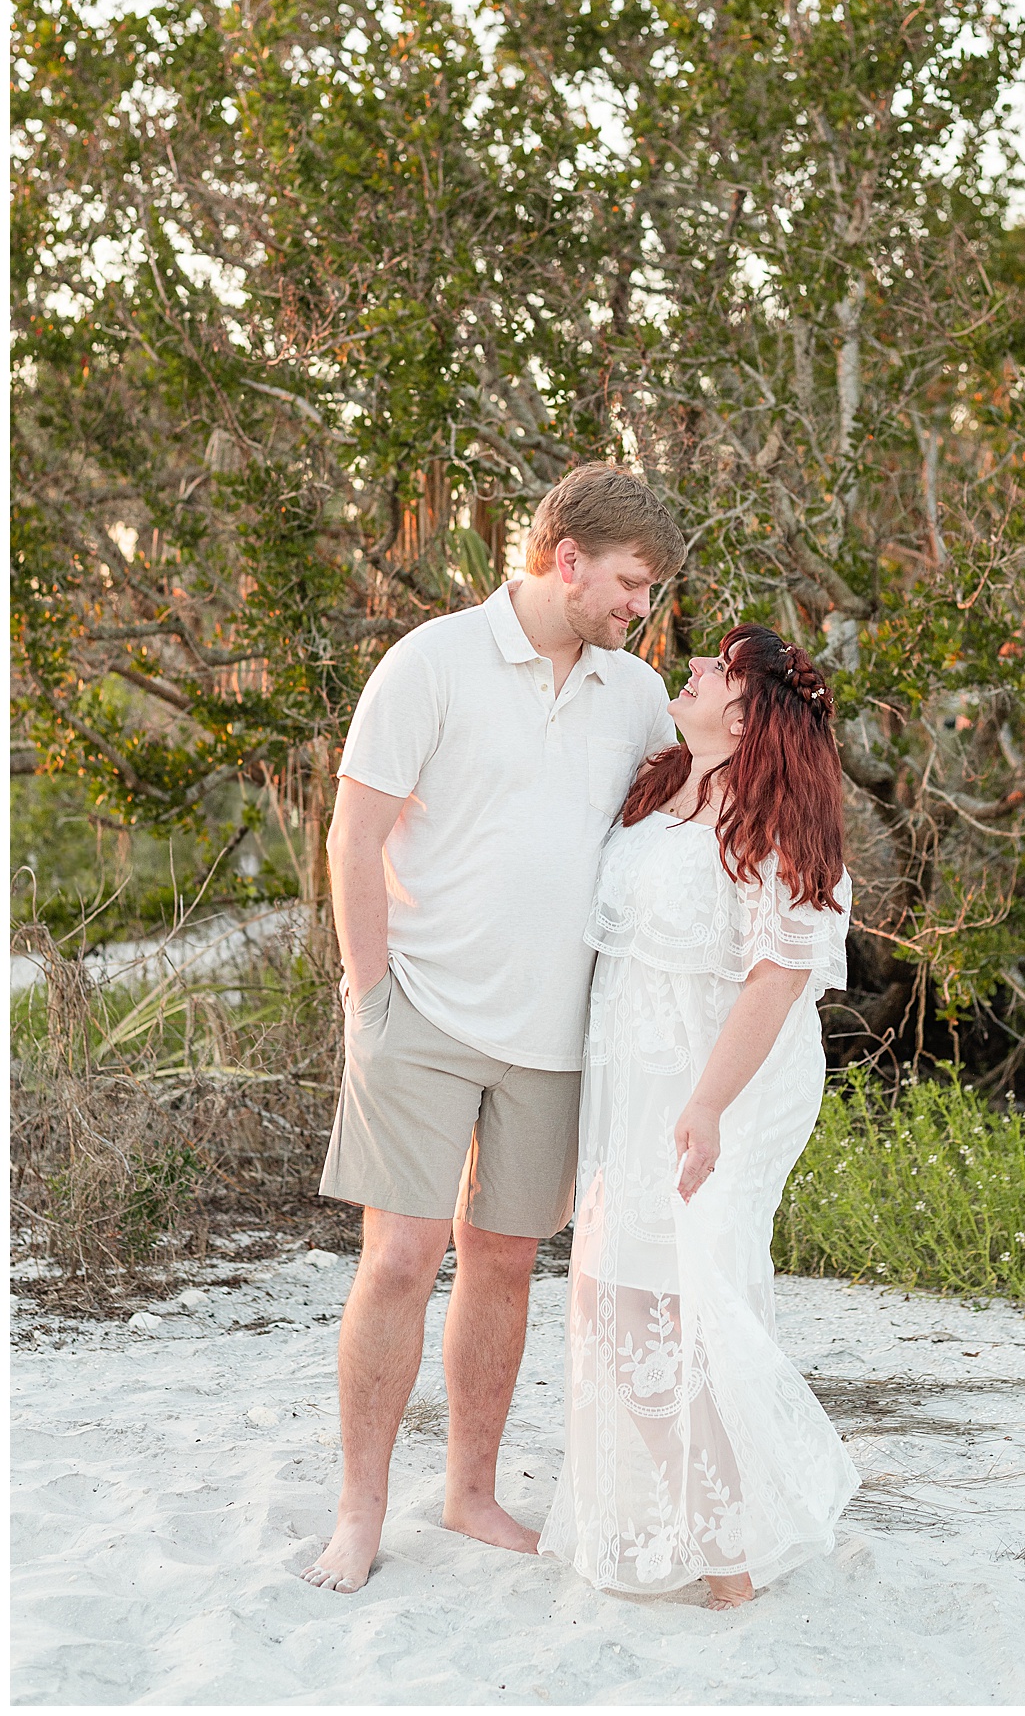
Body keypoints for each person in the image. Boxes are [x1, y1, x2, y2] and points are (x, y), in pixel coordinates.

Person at [305, 464, 687, 1592]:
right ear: (566, 560)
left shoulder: (631, 692)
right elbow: (354, 831)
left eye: (651, 592)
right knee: (400, 1259)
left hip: (560, 1036)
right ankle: (360, 1510)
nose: (639, 608)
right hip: (419, 1008)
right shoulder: (431, 661)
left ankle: (469, 1494)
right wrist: (366, 992)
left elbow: (682, 821)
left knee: (506, 1262)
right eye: (629, 583)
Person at [538, 623, 861, 1609]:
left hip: (724, 1079)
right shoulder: (657, 782)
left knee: (675, 1305)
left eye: (716, 667)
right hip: (633, 1072)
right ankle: (721, 1535)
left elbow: (778, 973)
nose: (693, 671)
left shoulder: (776, 816)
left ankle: (730, 1564)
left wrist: (709, 1102)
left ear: (748, 707)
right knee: (614, 1301)